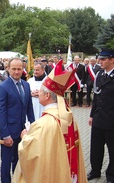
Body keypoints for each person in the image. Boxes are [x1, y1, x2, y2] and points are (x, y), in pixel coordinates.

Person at [12, 60, 87, 183]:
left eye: (40, 91)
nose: (38, 93)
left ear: (47, 96)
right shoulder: (68, 117)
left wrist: (25, 137)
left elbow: (32, 153)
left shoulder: (44, 123)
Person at [0, 58, 35, 183]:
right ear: (8, 69)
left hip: (23, 131)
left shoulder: (26, 85)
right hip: (9, 132)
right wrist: (5, 134)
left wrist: (33, 127)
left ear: (23, 69)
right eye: (14, 69)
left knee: (19, 161)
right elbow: (1, 113)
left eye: (19, 69)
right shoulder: (3, 87)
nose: (17, 72)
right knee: (6, 162)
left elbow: (29, 108)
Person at [87, 48, 114, 182]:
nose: (100, 62)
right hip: (98, 118)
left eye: (103, 59)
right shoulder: (100, 75)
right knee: (95, 148)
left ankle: (111, 175)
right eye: (100, 59)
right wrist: (92, 115)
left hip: (111, 120)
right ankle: (95, 171)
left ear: (112, 59)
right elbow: (96, 97)